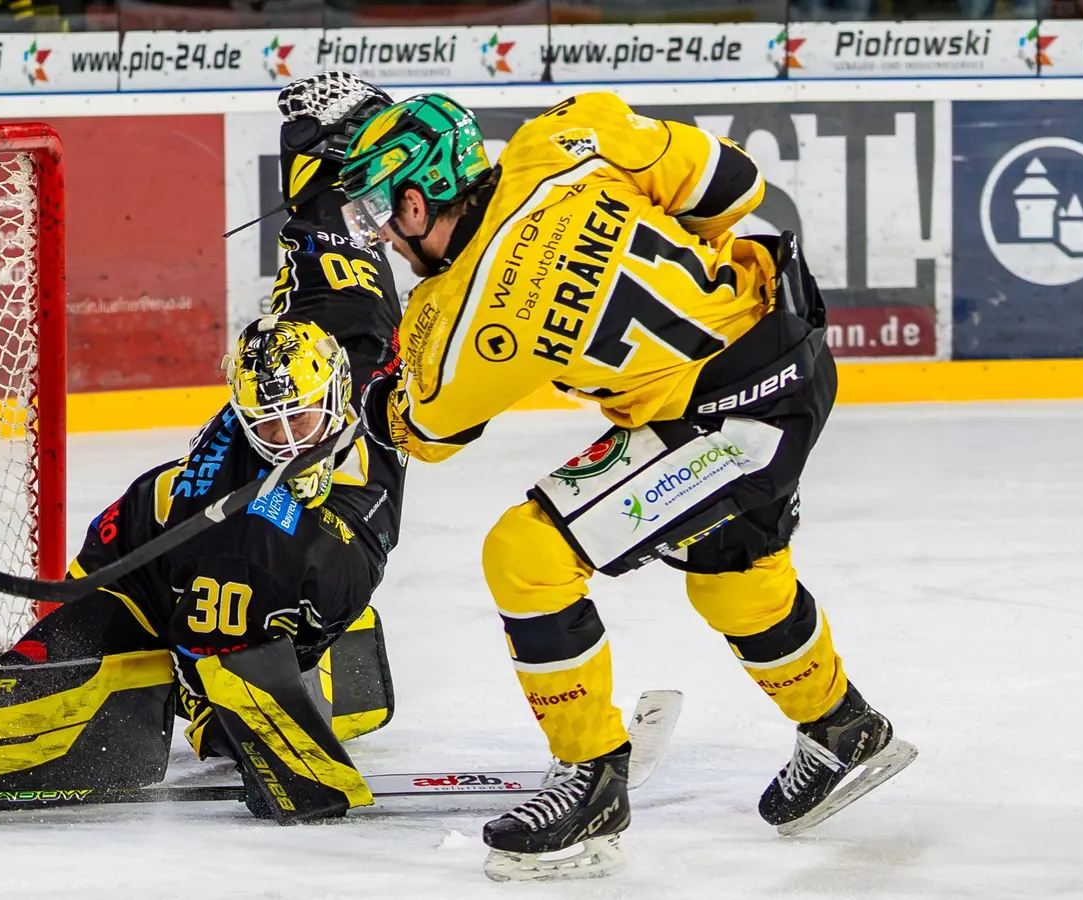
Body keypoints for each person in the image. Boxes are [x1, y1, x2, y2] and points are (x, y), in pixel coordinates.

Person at [0, 73, 408, 824]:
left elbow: (326, 242)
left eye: (302, 420)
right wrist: (235, 727)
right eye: (270, 424)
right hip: (143, 557)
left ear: (339, 388)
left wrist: (318, 147)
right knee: (53, 691)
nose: (287, 441)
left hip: (266, 583)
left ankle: (305, 657)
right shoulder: (247, 528)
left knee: (228, 683)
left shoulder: (353, 357)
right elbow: (213, 656)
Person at [337, 91, 915, 880]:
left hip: (731, 425)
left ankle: (593, 781)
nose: (379, 233)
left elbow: (424, 432)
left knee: (525, 556)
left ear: (415, 202)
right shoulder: (567, 137)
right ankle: (844, 728)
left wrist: (376, 378)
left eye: (378, 211)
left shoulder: (463, 314)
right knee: (735, 577)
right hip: (787, 340)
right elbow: (735, 185)